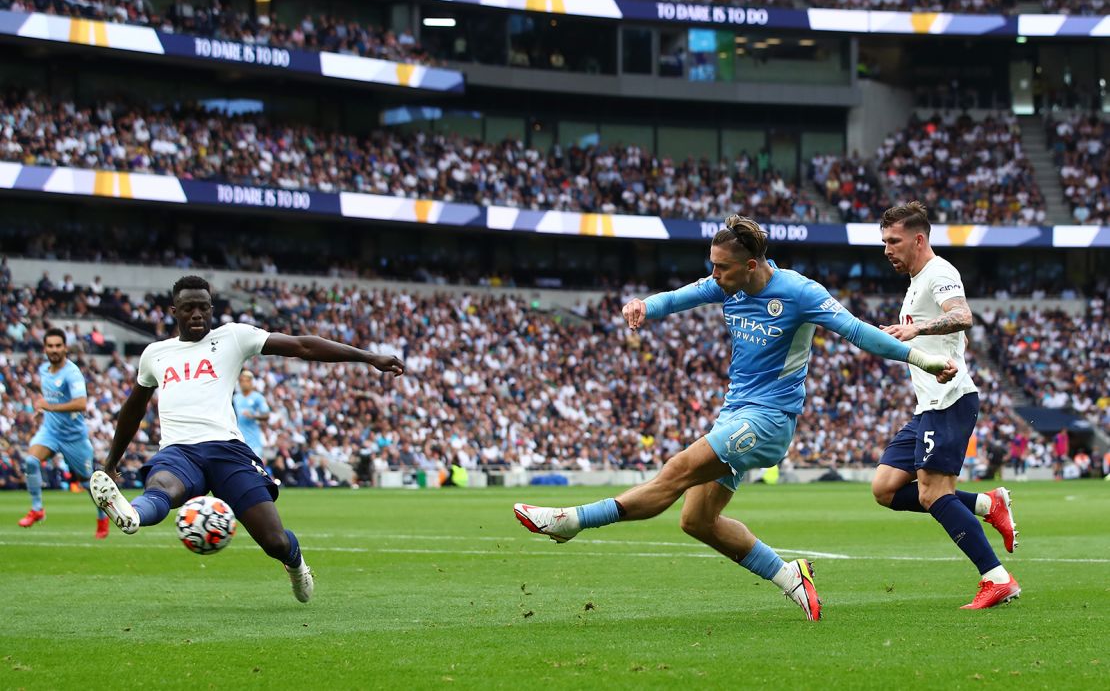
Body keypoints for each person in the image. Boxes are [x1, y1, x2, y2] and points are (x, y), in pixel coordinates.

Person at [513, 215, 959, 621]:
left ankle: (572, 521)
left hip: (769, 420)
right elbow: (679, 297)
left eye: (721, 268)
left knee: (676, 470)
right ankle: (790, 577)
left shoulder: (799, 293)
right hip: (735, 414)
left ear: (750, 265)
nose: (713, 275)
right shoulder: (728, 283)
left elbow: (860, 333)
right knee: (697, 521)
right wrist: (644, 305)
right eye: (712, 266)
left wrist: (923, 359)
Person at [89, 276, 405, 603]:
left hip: (227, 451)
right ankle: (132, 514)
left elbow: (302, 346)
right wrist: (111, 462)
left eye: (203, 307)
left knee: (275, 542)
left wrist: (368, 357)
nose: (196, 314)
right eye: (188, 308)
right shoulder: (155, 354)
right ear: (174, 311)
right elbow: (133, 409)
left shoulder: (233, 337)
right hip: (178, 451)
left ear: (212, 309)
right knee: (162, 488)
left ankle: (296, 566)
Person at [871, 202, 1020, 610]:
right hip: (929, 404)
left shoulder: (940, 272)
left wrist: (917, 327)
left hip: (949, 401)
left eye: (893, 241)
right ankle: (989, 504)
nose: (886, 249)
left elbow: (963, 315)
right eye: (884, 241)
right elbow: (954, 332)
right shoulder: (917, 279)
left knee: (934, 494)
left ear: (919, 239)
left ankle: (996, 578)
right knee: (885, 488)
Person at [18, 327, 109, 538]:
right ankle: (37, 509)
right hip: (50, 432)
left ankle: (102, 518)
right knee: (31, 461)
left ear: (65, 347)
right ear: (45, 348)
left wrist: (49, 407)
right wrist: (42, 410)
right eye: (50, 346)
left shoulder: (72, 372)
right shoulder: (43, 370)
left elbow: (81, 403)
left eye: (58, 345)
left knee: (88, 484)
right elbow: (52, 398)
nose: (54, 349)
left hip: (74, 438)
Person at [233, 371, 270, 460]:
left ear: (251, 382)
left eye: (247, 381)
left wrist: (253, 416)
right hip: (239, 439)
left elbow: (266, 415)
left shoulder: (258, 397)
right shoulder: (235, 398)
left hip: (254, 440)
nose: (244, 383)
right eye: (242, 381)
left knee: (255, 468)